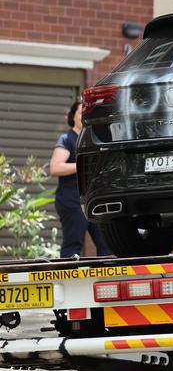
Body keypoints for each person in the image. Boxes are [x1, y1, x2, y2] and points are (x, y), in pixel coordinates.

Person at [50, 99, 111, 258]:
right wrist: (83, 165)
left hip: (94, 200)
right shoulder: (66, 139)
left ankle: (106, 281)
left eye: (87, 113)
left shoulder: (95, 139)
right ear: (73, 116)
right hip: (71, 200)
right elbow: (55, 167)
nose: (84, 116)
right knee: (73, 244)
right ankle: (66, 279)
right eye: (80, 112)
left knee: (107, 244)